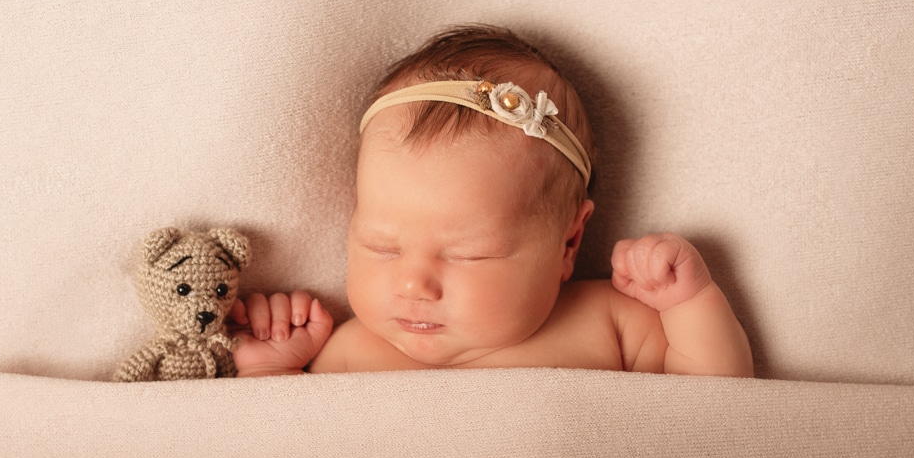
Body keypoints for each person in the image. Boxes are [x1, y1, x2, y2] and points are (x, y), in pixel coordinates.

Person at [229, 24, 753, 377]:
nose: (413, 283)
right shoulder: (349, 351)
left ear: (569, 242)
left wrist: (688, 304)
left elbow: (712, 408)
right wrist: (270, 367)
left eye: (467, 253)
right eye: (381, 246)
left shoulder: (608, 322)